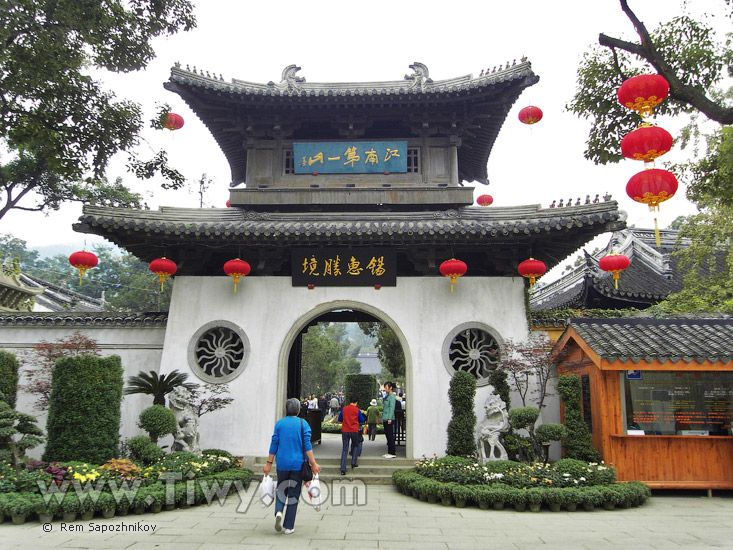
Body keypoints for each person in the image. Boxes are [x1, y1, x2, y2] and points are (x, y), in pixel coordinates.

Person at [263, 398, 321, 535]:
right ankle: (288, 526)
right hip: (298, 464)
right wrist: (313, 463)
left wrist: (268, 463)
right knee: (293, 494)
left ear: (286, 409)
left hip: (282, 463)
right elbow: (307, 445)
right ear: (299, 410)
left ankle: (278, 512)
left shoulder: (279, 424)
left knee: (281, 489)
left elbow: (274, 444)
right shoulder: (303, 424)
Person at [338, 395, 365, 475]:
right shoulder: (357, 410)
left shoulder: (344, 409)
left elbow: (339, 419)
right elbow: (362, 420)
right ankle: (353, 462)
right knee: (356, 445)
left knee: (345, 449)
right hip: (354, 430)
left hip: (345, 430)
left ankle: (343, 468)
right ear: (356, 402)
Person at [381, 381, 396, 458]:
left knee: (390, 436)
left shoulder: (392, 397)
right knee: (388, 435)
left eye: (386, 388)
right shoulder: (388, 396)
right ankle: (389, 452)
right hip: (385, 418)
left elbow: (391, 408)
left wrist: (390, 418)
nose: (385, 390)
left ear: (390, 388)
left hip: (389, 418)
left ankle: (392, 452)